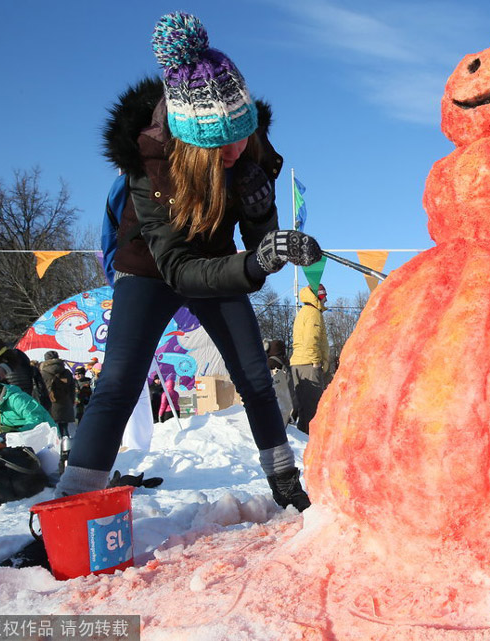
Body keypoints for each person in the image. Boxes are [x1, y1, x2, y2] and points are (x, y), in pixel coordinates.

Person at [54, 12, 320, 511]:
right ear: (189, 142)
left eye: (242, 134)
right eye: (220, 143)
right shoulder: (151, 164)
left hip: (218, 262)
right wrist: (255, 263)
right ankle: (68, 506)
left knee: (256, 378)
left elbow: (259, 243)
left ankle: (287, 486)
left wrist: (267, 223)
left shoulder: (249, 145)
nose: (235, 150)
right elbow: (178, 269)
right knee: (118, 383)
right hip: (152, 270)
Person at [291, 284, 330, 434]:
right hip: (308, 364)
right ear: (318, 296)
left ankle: (303, 438)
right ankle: (310, 441)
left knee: (305, 408)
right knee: (312, 408)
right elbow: (311, 340)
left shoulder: (305, 312)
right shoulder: (313, 313)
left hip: (300, 362)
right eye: (324, 295)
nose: (326, 299)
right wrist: (316, 362)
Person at [40, 351, 75, 439]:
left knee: (51, 430)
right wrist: (71, 401)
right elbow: (72, 389)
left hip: (49, 403)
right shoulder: (66, 372)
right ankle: (67, 445)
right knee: (64, 429)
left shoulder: (42, 373)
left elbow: (39, 390)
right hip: (65, 403)